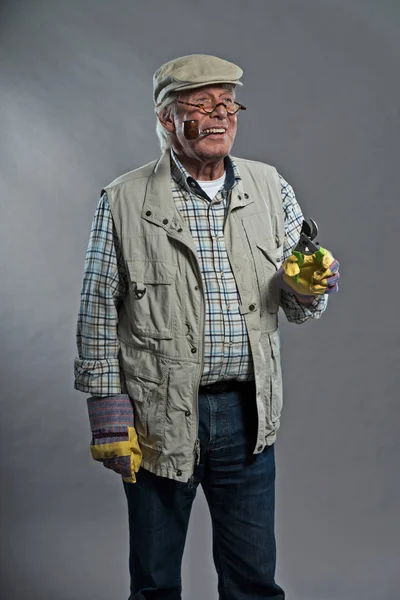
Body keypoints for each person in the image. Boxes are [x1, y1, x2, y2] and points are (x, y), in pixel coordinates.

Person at [74, 54, 340, 600]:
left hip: (247, 414)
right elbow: (98, 308)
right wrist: (107, 416)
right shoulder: (124, 199)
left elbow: (297, 308)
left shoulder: (270, 188)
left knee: (252, 580)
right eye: (201, 106)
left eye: (227, 104)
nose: (219, 117)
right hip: (157, 417)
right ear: (167, 118)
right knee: (153, 581)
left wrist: (308, 289)